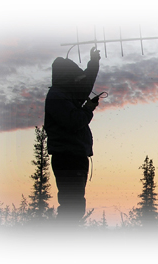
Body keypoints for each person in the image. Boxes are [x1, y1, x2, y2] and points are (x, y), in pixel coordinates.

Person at [44, 47, 101, 225]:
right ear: (67, 77)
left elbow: (85, 85)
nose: (78, 81)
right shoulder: (57, 96)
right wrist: (88, 109)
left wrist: (94, 62)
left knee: (74, 206)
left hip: (74, 156)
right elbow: (74, 122)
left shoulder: (66, 93)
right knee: (72, 207)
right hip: (67, 158)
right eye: (75, 77)